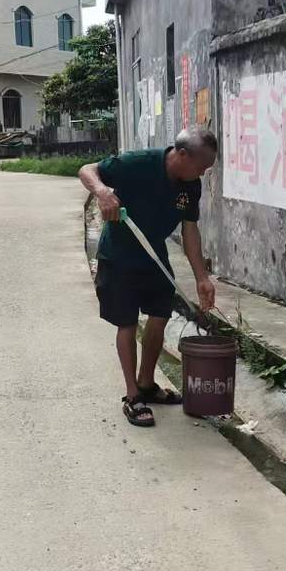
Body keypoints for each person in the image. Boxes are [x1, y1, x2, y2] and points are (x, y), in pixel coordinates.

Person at [78, 128, 218, 427]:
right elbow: (87, 170)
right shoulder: (136, 163)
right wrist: (102, 192)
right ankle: (133, 396)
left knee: (159, 318)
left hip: (155, 259)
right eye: (201, 166)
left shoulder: (190, 185)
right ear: (182, 155)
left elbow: (190, 230)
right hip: (118, 258)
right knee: (127, 324)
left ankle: (146, 383)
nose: (203, 174)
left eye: (208, 168)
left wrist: (201, 278)